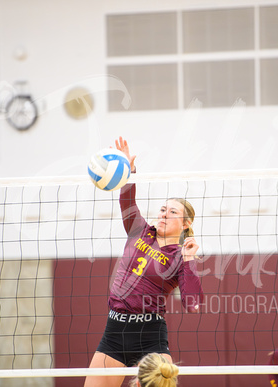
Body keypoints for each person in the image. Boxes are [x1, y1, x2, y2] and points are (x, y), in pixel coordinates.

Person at [85, 137, 204, 387]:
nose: (164, 214)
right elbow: (126, 200)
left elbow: (193, 305)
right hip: (115, 331)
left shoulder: (180, 256)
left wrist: (190, 261)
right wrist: (128, 170)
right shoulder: (139, 229)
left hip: (150, 336)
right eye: (163, 209)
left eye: (173, 212)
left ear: (185, 224)